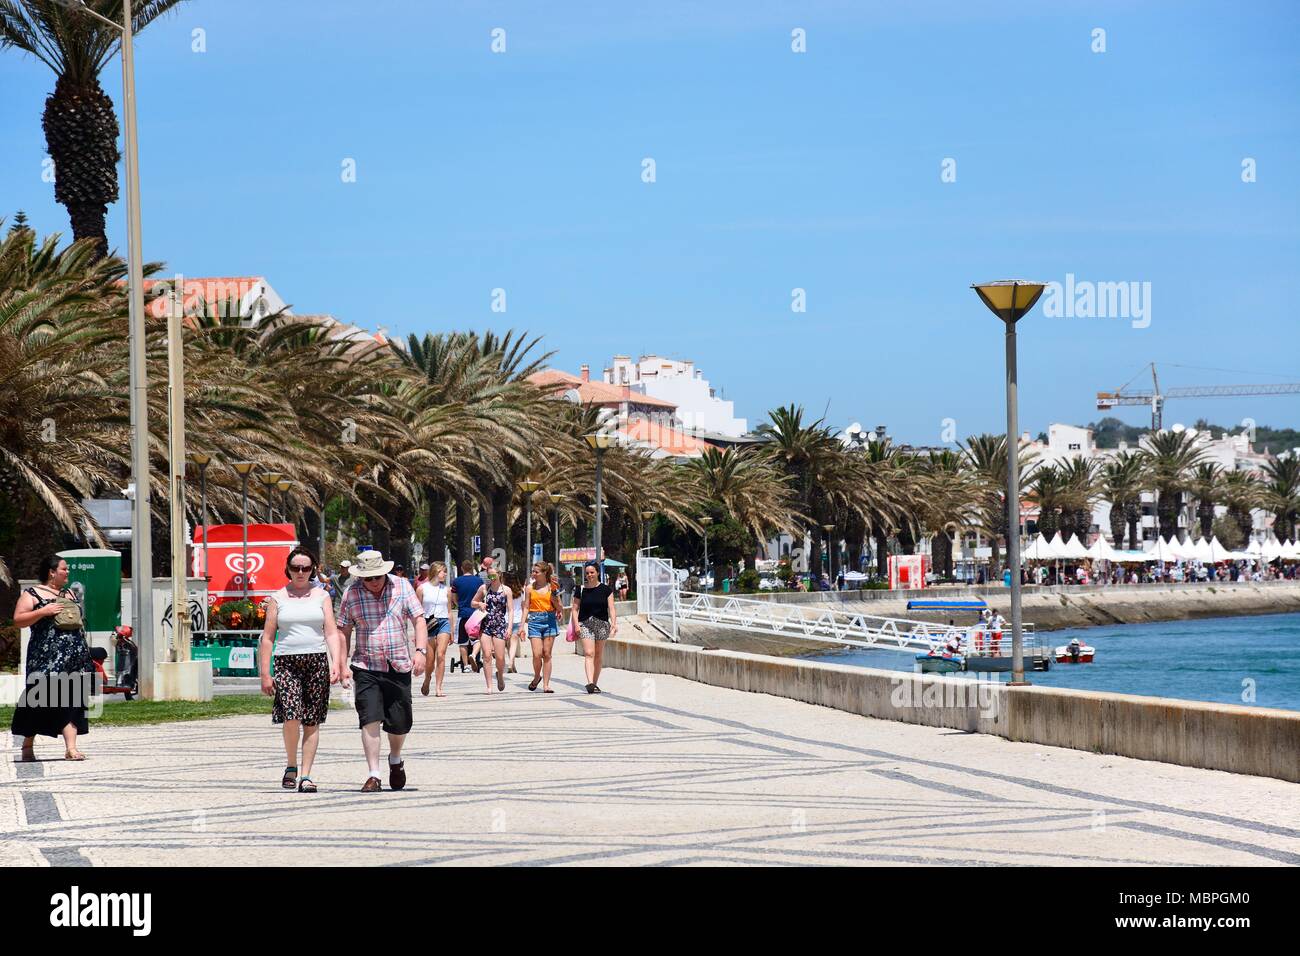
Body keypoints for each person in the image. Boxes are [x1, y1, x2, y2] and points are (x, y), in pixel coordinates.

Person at [336, 549, 428, 793]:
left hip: (398, 664)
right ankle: (373, 774)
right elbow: (343, 631)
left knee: (399, 723)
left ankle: (395, 759)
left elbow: (419, 620)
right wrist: (341, 664)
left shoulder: (402, 587)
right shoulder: (352, 593)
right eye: (368, 578)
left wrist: (420, 651)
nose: (373, 582)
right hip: (366, 666)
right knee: (370, 718)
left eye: (377, 577)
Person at [257, 547, 344, 793]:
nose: (301, 572)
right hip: (286, 662)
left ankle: (306, 775)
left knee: (312, 720)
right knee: (291, 715)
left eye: (306, 568)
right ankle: (291, 764)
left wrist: (335, 662)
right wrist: (265, 673)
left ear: (313, 570)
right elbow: (267, 638)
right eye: (296, 568)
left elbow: (330, 631)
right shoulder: (277, 598)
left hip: (316, 661)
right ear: (288, 569)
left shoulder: (321, 596)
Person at [10, 555, 94, 761]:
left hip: (74, 655)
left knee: (73, 699)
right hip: (45, 656)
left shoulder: (69, 593)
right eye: (64, 569)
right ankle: (27, 745)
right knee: (38, 699)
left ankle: (71, 748)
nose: (68, 572)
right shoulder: (32, 594)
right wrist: (44, 611)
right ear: (52, 572)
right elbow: (18, 620)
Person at [573, 561, 617, 693]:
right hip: (585, 624)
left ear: (598, 573)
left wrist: (614, 623)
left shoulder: (606, 589)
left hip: (602, 624)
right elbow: (574, 609)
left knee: (598, 654)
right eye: (587, 573)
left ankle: (595, 683)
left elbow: (612, 608)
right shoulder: (580, 589)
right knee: (589, 653)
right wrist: (576, 625)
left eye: (592, 572)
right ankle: (590, 682)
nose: (589, 575)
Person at [471, 569, 512, 693]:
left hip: (500, 625)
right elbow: (472, 602)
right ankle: (489, 686)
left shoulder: (506, 590)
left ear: (499, 575)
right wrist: (479, 604)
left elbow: (510, 610)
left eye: (494, 575)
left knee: (500, 657)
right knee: (487, 656)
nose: (492, 578)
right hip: (486, 624)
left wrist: (509, 627)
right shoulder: (484, 588)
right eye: (489, 576)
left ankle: (500, 674)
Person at [524, 561, 563, 693]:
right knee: (537, 654)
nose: (533, 574)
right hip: (534, 621)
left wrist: (554, 599)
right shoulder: (529, 588)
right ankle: (536, 676)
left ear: (544, 573)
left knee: (547, 654)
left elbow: (560, 607)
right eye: (533, 571)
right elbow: (526, 607)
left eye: (536, 572)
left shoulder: (552, 587)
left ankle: (546, 685)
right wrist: (521, 626)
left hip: (550, 620)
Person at [418, 562, 452, 697]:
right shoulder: (422, 589)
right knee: (430, 660)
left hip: (444, 622)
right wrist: (418, 631)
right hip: (428, 623)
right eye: (443, 571)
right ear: (436, 572)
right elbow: (417, 611)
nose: (445, 574)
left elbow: (449, 611)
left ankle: (439, 688)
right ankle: (427, 679)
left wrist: (452, 631)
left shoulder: (447, 590)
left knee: (441, 655)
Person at [449, 559, 483, 673]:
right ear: (472, 568)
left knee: (462, 641)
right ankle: (474, 656)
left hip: (463, 614)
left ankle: (466, 665)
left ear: (462, 568)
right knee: (476, 639)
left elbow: (453, 597)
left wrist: (459, 604)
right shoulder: (479, 581)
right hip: (476, 614)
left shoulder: (457, 581)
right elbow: (483, 595)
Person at [504, 572, 525, 674]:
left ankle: (511, 663)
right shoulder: (521, 591)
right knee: (514, 643)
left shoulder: (504, 591)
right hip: (517, 619)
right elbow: (523, 606)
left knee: (508, 644)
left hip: (505, 619)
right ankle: (511, 663)